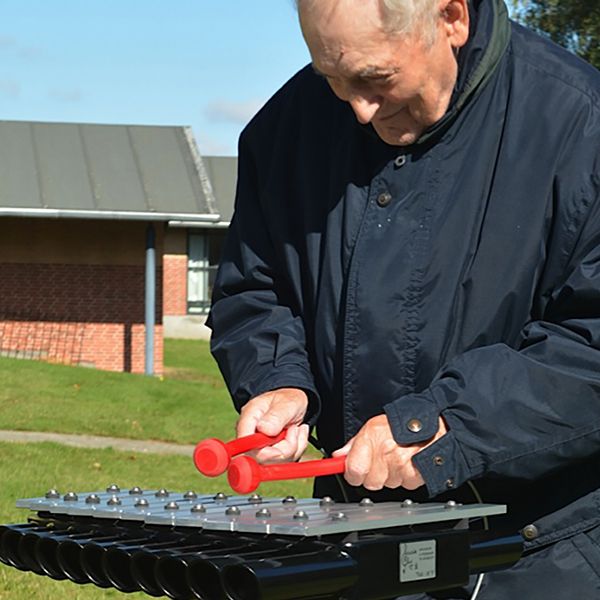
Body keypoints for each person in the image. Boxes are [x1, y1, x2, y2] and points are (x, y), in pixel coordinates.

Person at [207, 0, 600, 597]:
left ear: (451, 18)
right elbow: (253, 290)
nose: (358, 110)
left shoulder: (581, 124)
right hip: (350, 548)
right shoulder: (284, 130)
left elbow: (591, 344)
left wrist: (447, 424)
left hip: (537, 556)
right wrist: (279, 380)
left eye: (374, 79)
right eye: (331, 80)